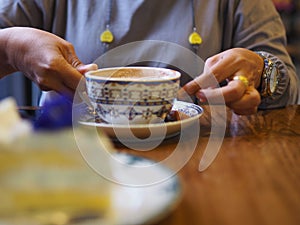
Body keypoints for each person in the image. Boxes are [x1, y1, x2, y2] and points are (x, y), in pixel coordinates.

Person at [0, 0, 298, 115]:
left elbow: (287, 81)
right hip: (71, 162)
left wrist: (261, 71)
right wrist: (10, 48)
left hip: (201, 161)